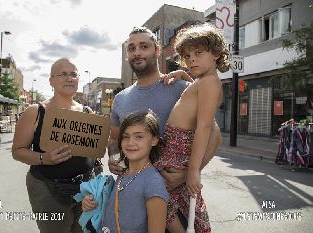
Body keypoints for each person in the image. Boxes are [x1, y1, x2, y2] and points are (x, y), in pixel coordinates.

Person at [108, 26, 222, 230]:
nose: (137, 52)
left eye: (144, 46)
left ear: (157, 50)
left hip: (174, 194)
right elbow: (114, 140)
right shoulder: (120, 98)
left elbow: (213, 134)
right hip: (134, 200)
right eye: (132, 48)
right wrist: (113, 159)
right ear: (127, 55)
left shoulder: (180, 87)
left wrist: (189, 173)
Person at [154, 23, 230, 233]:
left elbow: (204, 127)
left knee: (162, 200)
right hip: (174, 149)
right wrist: (183, 74)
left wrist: (193, 171)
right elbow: (196, 95)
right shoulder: (204, 80)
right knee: (182, 205)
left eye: (198, 53)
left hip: (177, 151)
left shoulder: (209, 83)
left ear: (215, 53)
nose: (191, 59)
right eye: (187, 56)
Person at [12, 58, 96, 233]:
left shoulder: (87, 112)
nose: (69, 78)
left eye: (73, 74)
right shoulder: (36, 111)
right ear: (51, 81)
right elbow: (17, 151)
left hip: (86, 190)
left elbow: (95, 148)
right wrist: (43, 158)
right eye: (63, 74)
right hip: (48, 190)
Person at [83, 111, 169, 233]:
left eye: (139, 136)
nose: (130, 142)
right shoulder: (124, 172)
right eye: (125, 136)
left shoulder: (153, 184)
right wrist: (92, 203)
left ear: (154, 140)